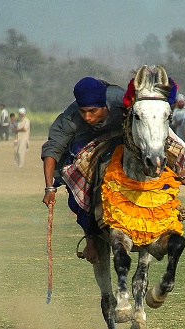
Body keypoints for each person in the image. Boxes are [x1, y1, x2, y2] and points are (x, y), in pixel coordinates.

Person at [41, 77, 125, 264]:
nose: (87, 117)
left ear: (105, 106)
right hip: (85, 140)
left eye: (92, 111)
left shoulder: (124, 103)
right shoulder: (71, 117)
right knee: (77, 173)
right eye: (83, 111)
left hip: (122, 136)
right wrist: (49, 189)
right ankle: (91, 237)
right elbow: (52, 149)